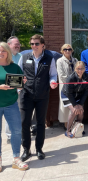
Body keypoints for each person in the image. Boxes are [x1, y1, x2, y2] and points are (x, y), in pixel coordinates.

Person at [18, 35, 59, 161]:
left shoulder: (49, 58)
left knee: (41, 123)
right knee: (25, 122)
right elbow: (19, 74)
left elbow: (53, 75)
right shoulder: (24, 57)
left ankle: (39, 149)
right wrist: (19, 87)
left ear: (43, 45)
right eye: (32, 44)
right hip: (26, 94)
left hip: (42, 95)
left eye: (36, 44)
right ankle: (26, 149)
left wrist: (53, 82)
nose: (33, 46)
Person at [0, 42, 28, 170]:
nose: (1, 53)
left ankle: (16, 158)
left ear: (8, 52)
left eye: (3, 51)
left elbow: (20, 84)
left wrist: (23, 82)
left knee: (16, 131)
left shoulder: (15, 67)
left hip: (11, 103)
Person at [63, 61, 88, 139]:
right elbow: (68, 93)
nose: (80, 70)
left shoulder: (87, 77)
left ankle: (78, 128)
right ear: (75, 69)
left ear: (84, 69)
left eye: (81, 69)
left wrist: (80, 104)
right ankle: (67, 131)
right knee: (74, 110)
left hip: (78, 96)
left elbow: (86, 92)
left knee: (81, 110)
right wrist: (75, 105)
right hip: (67, 95)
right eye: (78, 69)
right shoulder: (71, 78)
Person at [1, 36, 20, 144]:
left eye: (18, 44)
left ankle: (15, 135)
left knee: (15, 115)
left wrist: (22, 82)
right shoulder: (3, 58)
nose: (17, 46)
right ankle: (9, 136)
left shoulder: (21, 56)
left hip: (16, 91)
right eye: (15, 44)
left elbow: (21, 72)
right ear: (9, 45)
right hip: (3, 95)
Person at [56, 44, 78, 129]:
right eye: (65, 49)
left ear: (72, 50)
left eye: (69, 49)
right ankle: (66, 125)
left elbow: (78, 72)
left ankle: (73, 123)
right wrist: (71, 82)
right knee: (66, 105)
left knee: (74, 104)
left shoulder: (75, 60)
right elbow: (61, 75)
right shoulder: (59, 61)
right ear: (62, 51)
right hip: (65, 87)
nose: (67, 51)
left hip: (75, 87)